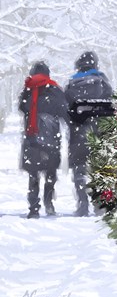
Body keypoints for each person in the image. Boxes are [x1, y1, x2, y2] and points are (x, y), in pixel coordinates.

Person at [19, 61, 69, 219]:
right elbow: (64, 111)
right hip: (51, 138)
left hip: (32, 138)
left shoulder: (28, 89)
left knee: (33, 174)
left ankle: (33, 208)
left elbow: (22, 107)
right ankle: (49, 202)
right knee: (50, 172)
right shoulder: (54, 89)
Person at [65, 51, 112, 217]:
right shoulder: (102, 82)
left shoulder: (71, 84)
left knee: (79, 171)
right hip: (98, 133)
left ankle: (82, 204)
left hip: (78, 134)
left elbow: (66, 109)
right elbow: (111, 107)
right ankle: (99, 205)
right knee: (98, 171)